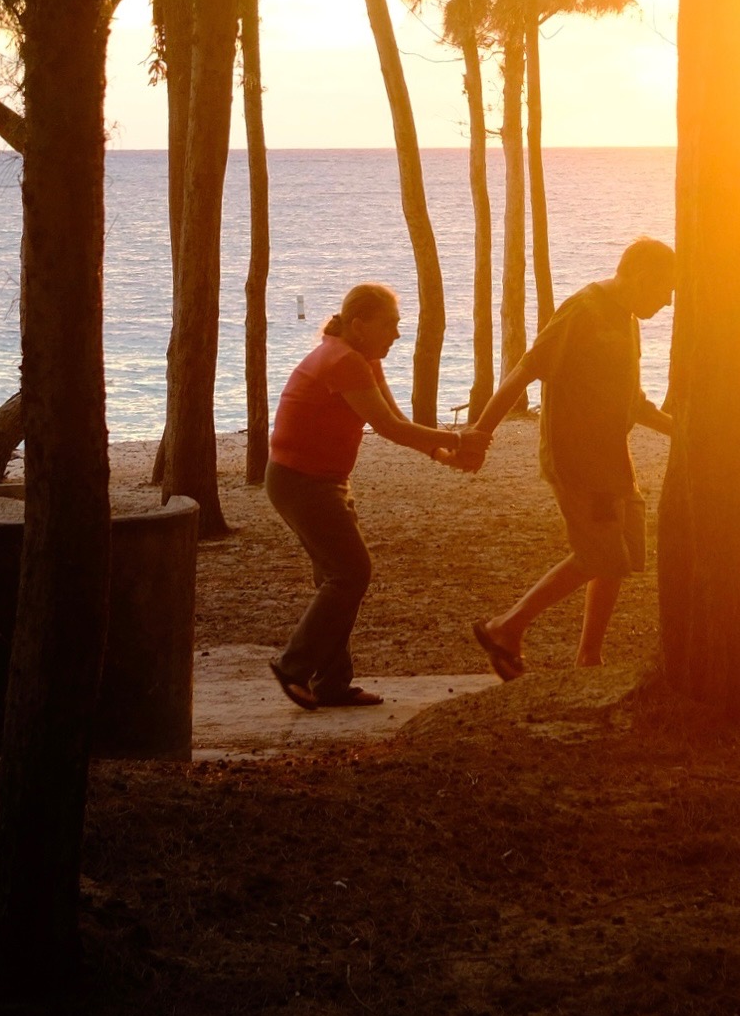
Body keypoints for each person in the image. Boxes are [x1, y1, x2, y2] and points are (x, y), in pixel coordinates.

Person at [263, 282, 481, 711]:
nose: (398, 336)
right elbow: (389, 428)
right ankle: (293, 666)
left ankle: (331, 683)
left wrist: (443, 453)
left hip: (321, 480)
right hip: (300, 481)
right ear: (360, 326)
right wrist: (458, 437)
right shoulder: (343, 360)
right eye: (392, 326)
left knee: (337, 579)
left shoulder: (361, 357)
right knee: (351, 573)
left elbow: (397, 421)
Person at [466, 237, 676, 677]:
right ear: (640, 277)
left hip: (614, 460)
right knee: (602, 556)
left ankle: (588, 655)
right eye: (665, 290)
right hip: (579, 460)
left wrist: (684, 432)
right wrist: (480, 434)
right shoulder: (583, 310)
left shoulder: (628, 316)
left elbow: (632, 401)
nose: (668, 302)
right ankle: (506, 626)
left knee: (625, 554)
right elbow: (525, 371)